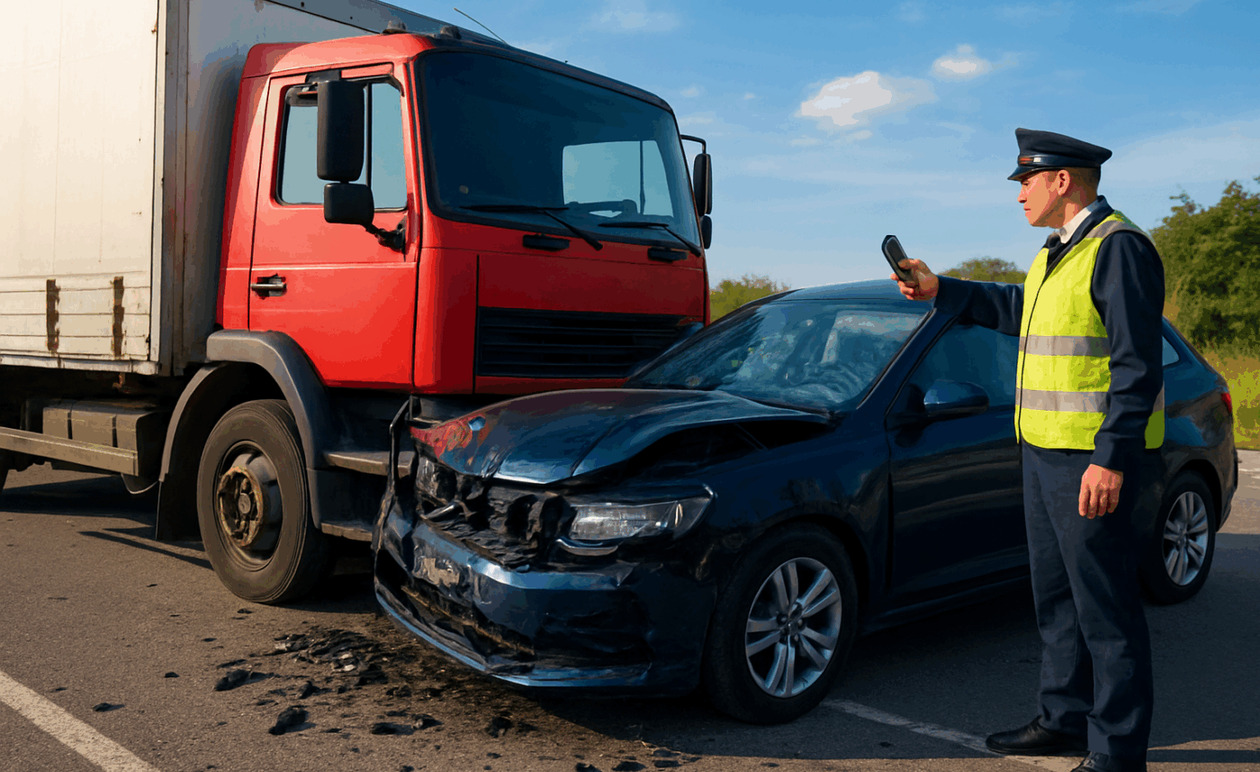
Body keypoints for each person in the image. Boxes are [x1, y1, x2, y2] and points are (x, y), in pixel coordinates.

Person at [891, 128, 1164, 772]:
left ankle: (1119, 751)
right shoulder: (1053, 253)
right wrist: (943, 290)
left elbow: (1136, 367)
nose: (1019, 194)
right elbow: (1021, 310)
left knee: (1106, 609)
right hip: (1042, 451)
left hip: (1088, 460)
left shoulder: (1118, 248)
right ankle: (1064, 719)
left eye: (1026, 182)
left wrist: (1112, 458)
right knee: (1057, 600)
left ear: (1061, 182)